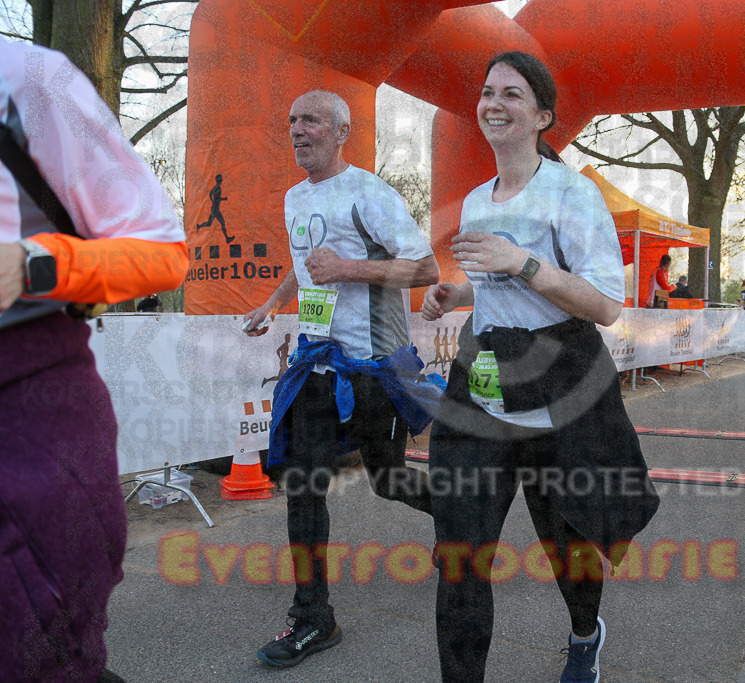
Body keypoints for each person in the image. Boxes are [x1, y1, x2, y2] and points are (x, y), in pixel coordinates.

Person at [420, 52, 660, 683]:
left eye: (512, 95)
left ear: (542, 116)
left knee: (565, 537)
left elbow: (606, 303)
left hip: (559, 374)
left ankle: (586, 633)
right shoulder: (476, 199)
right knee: (459, 550)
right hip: (485, 371)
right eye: (487, 91)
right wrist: (458, 293)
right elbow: (499, 288)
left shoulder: (572, 193)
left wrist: (519, 260)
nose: (493, 103)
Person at [0, 38, 187, 680]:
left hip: (27, 403)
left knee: (42, 652)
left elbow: (164, 252)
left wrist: (33, 264)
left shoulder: (26, 79)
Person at [243, 90, 441, 668]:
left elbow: (426, 267)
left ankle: (457, 521)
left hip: (373, 368)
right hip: (316, 364)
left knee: (388, 480)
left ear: (340, 131)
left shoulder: (371, 195)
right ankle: (314, 619)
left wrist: (351, 267)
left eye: (309, 120)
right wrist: (272, 302)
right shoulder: (294, 197)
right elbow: (304, 263)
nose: (297, 130)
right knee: (303, 489)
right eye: (291, 120)